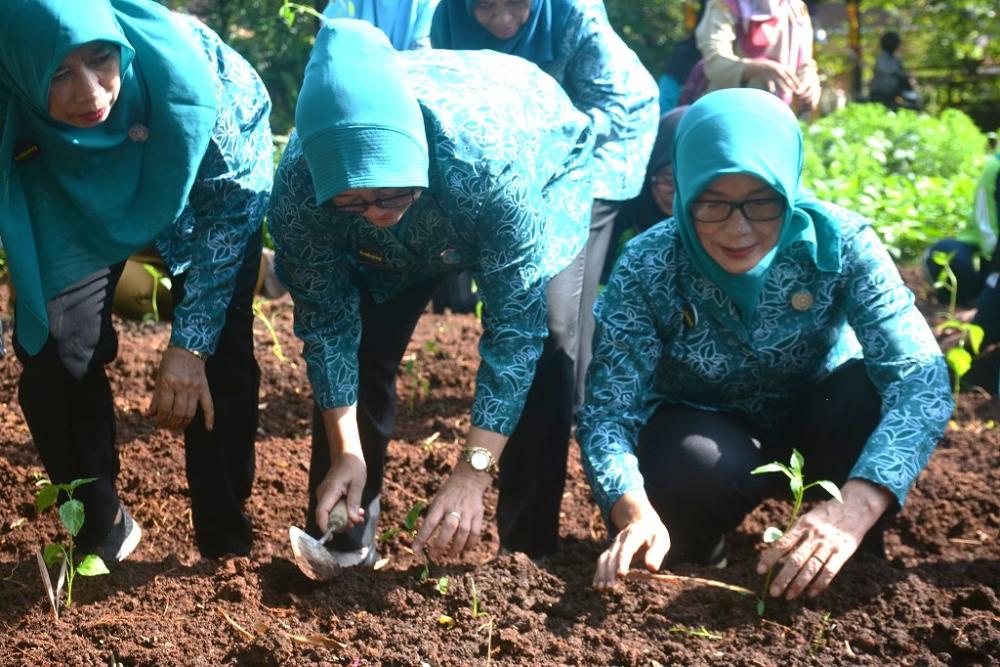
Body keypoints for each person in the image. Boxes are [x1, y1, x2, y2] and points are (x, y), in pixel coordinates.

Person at [577, 88, 952, 598]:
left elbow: (920, 376)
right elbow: (606, 412)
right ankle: (702, 537)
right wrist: (633, 508)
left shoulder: (840, 243)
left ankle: (849, 551)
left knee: (869, 394)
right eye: (712, 204)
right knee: (691, 472)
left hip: (820, 420)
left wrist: (858, 503)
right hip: (705, 432)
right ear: (683, 194)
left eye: (762, 203)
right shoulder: (649, 264)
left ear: (789, 188)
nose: (738, 228)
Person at [269, 20, 593, 564]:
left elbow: (514, 334)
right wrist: (345, 446)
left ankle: (526, 554)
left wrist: (471, 472)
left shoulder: (488, 168)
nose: (377, 213)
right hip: (422, 222)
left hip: (538, 159)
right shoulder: (301, 194)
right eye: (354, 202)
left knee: (551, 346)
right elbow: (326, 324)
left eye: (389, 190)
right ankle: (342, 542)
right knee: (365, 344)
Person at [0, 0, 272, 561]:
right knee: (55, 354)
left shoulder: (207, 86)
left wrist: (189, 344)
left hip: (200, 201)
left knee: (220, 355)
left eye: (102, 60)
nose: (92, 93)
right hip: (72, 196)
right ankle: (102, 526)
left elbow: (233, 208)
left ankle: (226, 546)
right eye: (58, 73)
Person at [431, 0, 659, 405]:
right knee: (531, 294)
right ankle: (542, 398)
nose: (502, 18)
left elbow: (610, 110)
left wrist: (532, 134)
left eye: (516, 4)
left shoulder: (575, 15)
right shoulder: (449, 16)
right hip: (520, 154)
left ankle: (577, 408)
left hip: (602, 143)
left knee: (563, 292)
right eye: (485, 7)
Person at [601, 106, 689, 282]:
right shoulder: (620, 208)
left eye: (689, 184)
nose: (677, 196)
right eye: (669, 181)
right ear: (650, 171)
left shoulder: (711, 221)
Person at [681, 0, 820, 111]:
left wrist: (810, 84)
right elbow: (715, 64)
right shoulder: (723, 5)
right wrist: (756, 68)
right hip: (728, 112)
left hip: (777, 118)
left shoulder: (796, 9)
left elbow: (806, 64)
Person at [322, 0, 441, 50]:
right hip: (356, 84)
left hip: (407, 89)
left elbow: (422, 49)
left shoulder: (428, 4)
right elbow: (328, 32)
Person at [869, 31, 916, 111]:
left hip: (893, 91)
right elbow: (887, 70)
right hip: (881, 91)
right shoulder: (881, 58)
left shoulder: (895, 58)